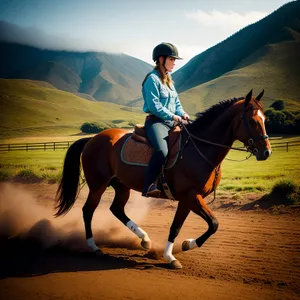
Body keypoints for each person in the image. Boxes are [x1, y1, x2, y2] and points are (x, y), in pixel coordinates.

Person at [141, 42, 190, 197]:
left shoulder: (169, 80)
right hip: (156, 122)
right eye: (172, 59)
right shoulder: (152, 80)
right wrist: (172, 116)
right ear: (161, 59)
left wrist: (183, 114)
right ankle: (149, 185)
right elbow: (154, 106)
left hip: (171, 122)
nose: (174, 62)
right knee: (162, 151)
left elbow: (176, 103)